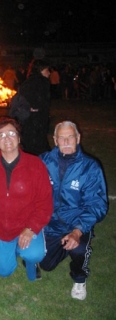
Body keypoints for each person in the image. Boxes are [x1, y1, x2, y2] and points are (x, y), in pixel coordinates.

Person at [0, 117, 53, 281]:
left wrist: (31, 228)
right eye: (1, 135)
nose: (7, 138)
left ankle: (30, 259)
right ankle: (13, 249)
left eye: (11, 133)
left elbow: (44, 204)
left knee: (34, 254)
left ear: (18, 137)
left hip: (26, 224)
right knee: (4, 271)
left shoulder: (35, 164)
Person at [39, 121, 108, 300]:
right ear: (55, 140)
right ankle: (61, 247)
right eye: (62, 137)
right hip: (51, 224)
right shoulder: (43, 161)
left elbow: (98, 204)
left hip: (76, 223)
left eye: (70, 136)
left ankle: (79, 277)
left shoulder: (90, 167)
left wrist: (78, 231)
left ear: (78, 138)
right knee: (46, 264)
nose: (66, 141)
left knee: (79, 249)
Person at [15, 60, 51, 155]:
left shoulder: (28, 81)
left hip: (27, 119)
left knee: (28, 144)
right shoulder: (42, 82)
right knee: (39, 146)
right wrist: (36, 108)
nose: (49, 72)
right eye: (47, 70)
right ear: (41, 70)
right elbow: (40, 100)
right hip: (37, 120)